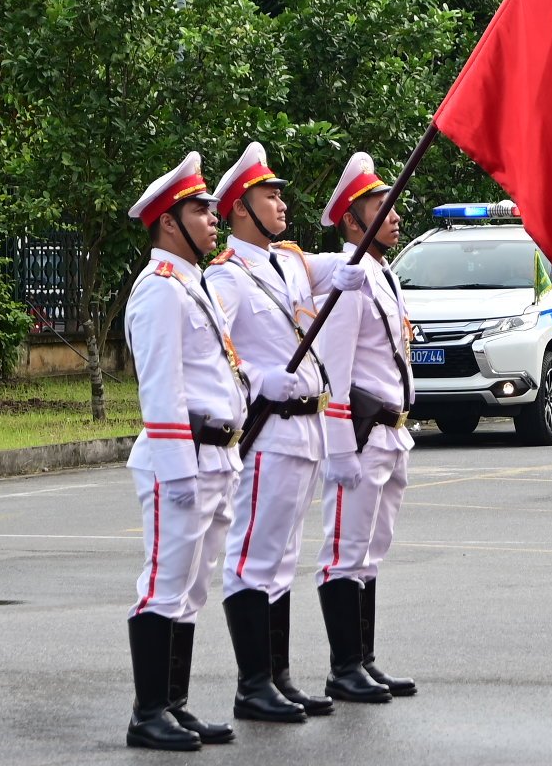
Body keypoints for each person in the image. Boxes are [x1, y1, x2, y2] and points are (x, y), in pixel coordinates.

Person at [205, 142, 365, 723]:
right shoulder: (225, 276)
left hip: (305, 435)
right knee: (252, 559)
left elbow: (334, 268)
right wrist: (255, 378)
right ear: (240, 209)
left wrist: (352, 266)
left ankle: (279, 675)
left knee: (281, 558)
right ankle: (252, 684)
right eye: (268, 195)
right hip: (268, 432)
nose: (281, 202)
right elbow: (210, 346)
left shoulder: (289, 261)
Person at [121, 152, 244, 752]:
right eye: (200, 209)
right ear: (170, 221)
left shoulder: (193, 283)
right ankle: (148, 712)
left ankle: (174, 703)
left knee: (193, 587)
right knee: (163, 584)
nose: (213, 217)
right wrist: (179, 471)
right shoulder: (161, 291)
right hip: (182, 459)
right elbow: (161, 388)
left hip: (215, 456)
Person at [314, 152, 417, 703]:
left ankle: (364, 660)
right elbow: (336, 369)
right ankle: (342, 667)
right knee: (343, 552)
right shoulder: (350, 278)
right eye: (382, 205)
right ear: (354, 220)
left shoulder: (383, 275)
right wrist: (338, 450)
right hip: (361, 433)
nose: (395, 214)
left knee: (371, 551)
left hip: (392, 432)